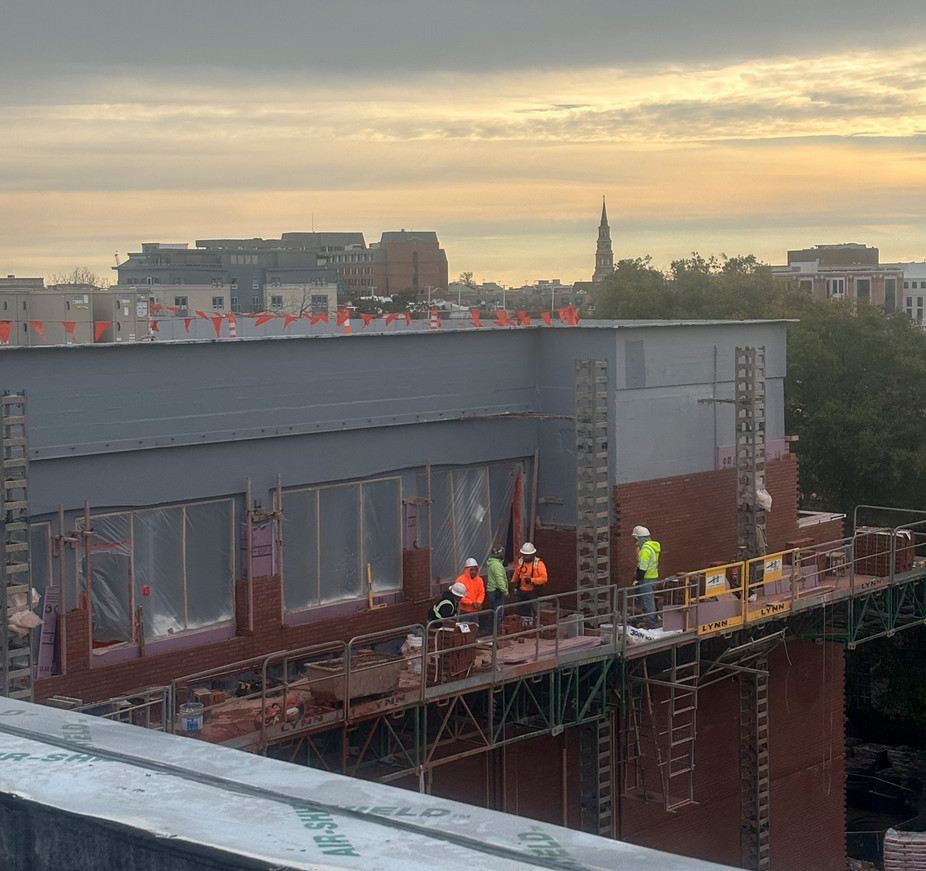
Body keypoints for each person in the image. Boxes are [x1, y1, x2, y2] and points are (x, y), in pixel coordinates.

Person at [632, 525, 661, 629]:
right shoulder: (653, 548)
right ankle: (651, 620)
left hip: (646, 579)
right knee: (649, 600)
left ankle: (651, 624)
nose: (636, 542)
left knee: (648, 602)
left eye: (636, 539)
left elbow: (642, 567)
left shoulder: (645, 550)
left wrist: (638, 578)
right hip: (652, 577)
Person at [511, 542, 547, 618]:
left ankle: (537, 622)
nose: (525, 557)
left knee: (535, 609)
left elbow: (544, 578)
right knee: (519, 608)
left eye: (526, 555)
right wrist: (513, 582)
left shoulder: (538, 564)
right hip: (521, 590)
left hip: (533, 591)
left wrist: (532, 580)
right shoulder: (521, 562)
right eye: (523, 555)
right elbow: (516, 573)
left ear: (532, 554)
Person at [485, 545, 509, 631]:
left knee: (493, 612)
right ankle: (495, 631)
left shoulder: (492, 563)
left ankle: (490, 630)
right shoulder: (497, 565)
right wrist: (505, 591)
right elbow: (500, 580)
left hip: (492, 591)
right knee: (498, 612)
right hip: (496, 591)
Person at [456, 558, 486, 626]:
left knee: (475, 630)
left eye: (475, 570)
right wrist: (471, 603)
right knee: (464, 632)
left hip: (475, 611)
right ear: (467, 570)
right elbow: (459, 596)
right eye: (471, 570)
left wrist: (479, 602)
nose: (474, 572)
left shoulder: (479, 580)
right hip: (464, 611)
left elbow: (482, 593)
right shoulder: (460, 580)